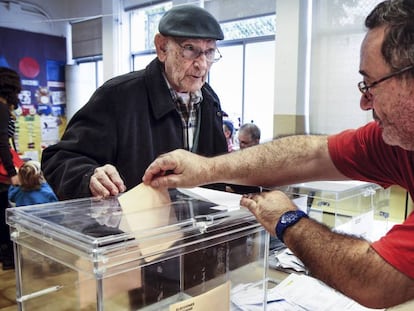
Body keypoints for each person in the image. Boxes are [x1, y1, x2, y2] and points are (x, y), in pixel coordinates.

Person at [142, 0, 414, 308]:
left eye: (371, 85)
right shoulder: (397, 142)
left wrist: (288, 221)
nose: (364, 104)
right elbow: (310, 154)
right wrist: (206, 168)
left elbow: (376, 280)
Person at [41, 4, 228, 200]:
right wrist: (89, 177)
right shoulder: (118, 96)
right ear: (162, 48)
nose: (202, 64)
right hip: (132, 226)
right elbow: (59, 159)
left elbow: (216, 169)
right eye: (190, 49)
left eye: (209, 52)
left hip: (197, 226)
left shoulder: (209, 100)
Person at [0, 66, 21, 270]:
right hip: (2, 177)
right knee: (3, 215)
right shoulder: (2, 109)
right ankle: (8, 259)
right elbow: (2, 143)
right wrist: (12, 172)